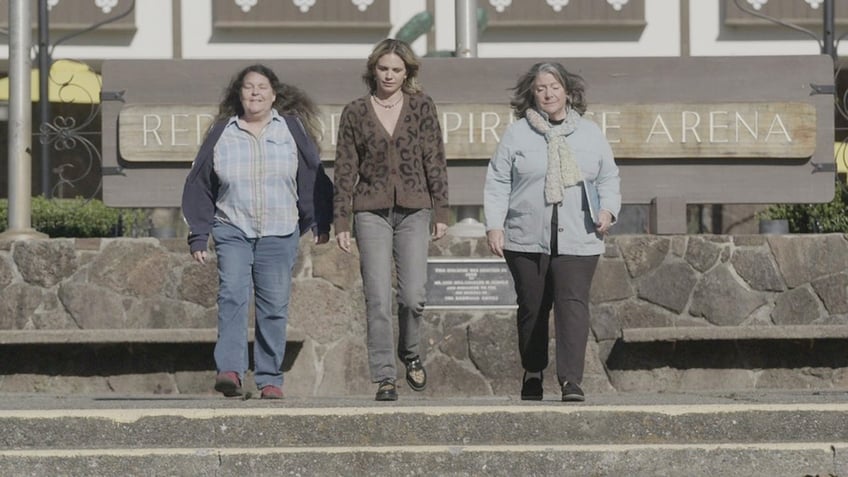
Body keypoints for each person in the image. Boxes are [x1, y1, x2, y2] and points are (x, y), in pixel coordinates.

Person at [182, 64, 332, 399]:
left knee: (274, 305)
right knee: (232, 294)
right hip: (232, 226)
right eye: (248, 87)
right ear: (239, 94)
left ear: (274, 95)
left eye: (261, 87)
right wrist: (199, 233)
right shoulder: (223, 132)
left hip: (279, 230)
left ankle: (269, 379)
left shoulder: (290, 129)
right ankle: (230, 371)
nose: (255, 93)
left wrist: (319, 219)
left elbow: (311, 177)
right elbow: (200, 185)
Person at [483, 62, 621, 403]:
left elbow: (608, 178)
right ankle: (533, 371)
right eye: (541, 88)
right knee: (532, 307)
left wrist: (607, 210)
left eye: (555, 87)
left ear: (568, 92)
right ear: (532, 94)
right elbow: (499, 180)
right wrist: (494, 225)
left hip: (580, 236)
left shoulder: (590, 133)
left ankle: (571, 381)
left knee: (572, 306)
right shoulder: (516, 134)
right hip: (526, 236)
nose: (548, 93)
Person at [333, 38, 449, 401]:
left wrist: (441, 210)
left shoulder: (421, 107)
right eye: (383, 68)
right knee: (377, 297)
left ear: (407, 72)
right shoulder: (355, 111)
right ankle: (385, 376)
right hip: (370, 211)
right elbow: (344, 168)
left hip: (415, 209)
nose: (389, 75)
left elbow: (435, 159)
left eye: (396, 69)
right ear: (373, 70)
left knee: (413, 295)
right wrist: (340, 221)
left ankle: (410, 352)